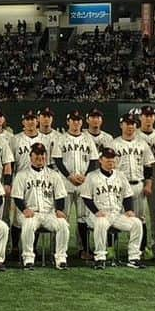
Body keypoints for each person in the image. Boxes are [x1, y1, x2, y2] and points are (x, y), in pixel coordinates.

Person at [82, 147, 144, 270]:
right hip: (98, 215)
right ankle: (100, 258)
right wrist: (96, 212)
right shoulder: (91, 176)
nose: (111, 161)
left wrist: (129, 210)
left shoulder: (120, 176)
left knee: (137, 223)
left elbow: (127, 195)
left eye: (112, 159)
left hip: (116, 214)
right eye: (107, 158)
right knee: (100, 223)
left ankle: (133, 257)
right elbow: (86, 197)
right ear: (101, 160)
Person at [11, 143, 69, 270]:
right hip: (30, 213)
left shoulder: (54, 175)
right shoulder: (22, 175)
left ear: (46, 157)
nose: (40, 159)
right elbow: (17, 196)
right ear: (30, 157)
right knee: (28, 224)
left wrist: (59, 210)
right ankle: (28, 258)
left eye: (42, 156)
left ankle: (61, 258)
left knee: (63, 224)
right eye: (36, 156)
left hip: (49, 214)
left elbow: (60, 195)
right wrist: (24, 209)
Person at [54, 111, 100, 261]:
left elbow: (94, 160)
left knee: (83, 217)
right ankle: (61, 250)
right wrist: (69, 176)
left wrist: (85, 176)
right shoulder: (61, 139)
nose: (76, 123)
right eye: (73, 120)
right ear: (68, 122)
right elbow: (58, 160)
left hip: (83, 183)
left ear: (82, 122)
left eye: (78, 120)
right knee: (63, 217)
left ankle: (84, 249)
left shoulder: (88, 139)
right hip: (65, 183)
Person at [111, 113, 155, 256]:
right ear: (121, 125)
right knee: (114, 216)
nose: (130, 126)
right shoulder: (113, 144)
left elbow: (148, 166)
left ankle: (141, 249)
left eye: (132, 123)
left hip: (137, 185)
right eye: (127, 123)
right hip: (117, 186)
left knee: (140, 218)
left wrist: (148, 184)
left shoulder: (142, 144)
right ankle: (111, 247)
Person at [136, 106, 155, 256]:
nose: (148, 118)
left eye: (150, 115)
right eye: (145, 115)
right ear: (140, 117)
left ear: (154, 118)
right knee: (137, 213)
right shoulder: (134, 135)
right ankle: (138, 244)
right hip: (136, 174)